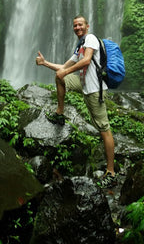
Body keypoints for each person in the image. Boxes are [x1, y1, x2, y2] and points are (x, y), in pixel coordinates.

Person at [35, 14, 117, 188]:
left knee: (104, 129)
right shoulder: (80, 46)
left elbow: (87, 61)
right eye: (75, 26)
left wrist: (66, 72)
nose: (77, 28)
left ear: (87, 26)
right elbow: (64, 68)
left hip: (95, 91)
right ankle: (60, 112)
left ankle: (111, 172)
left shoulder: (91, 39)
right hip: (83, 84)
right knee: (59, 77)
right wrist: (45, 63)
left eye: (80, 25)